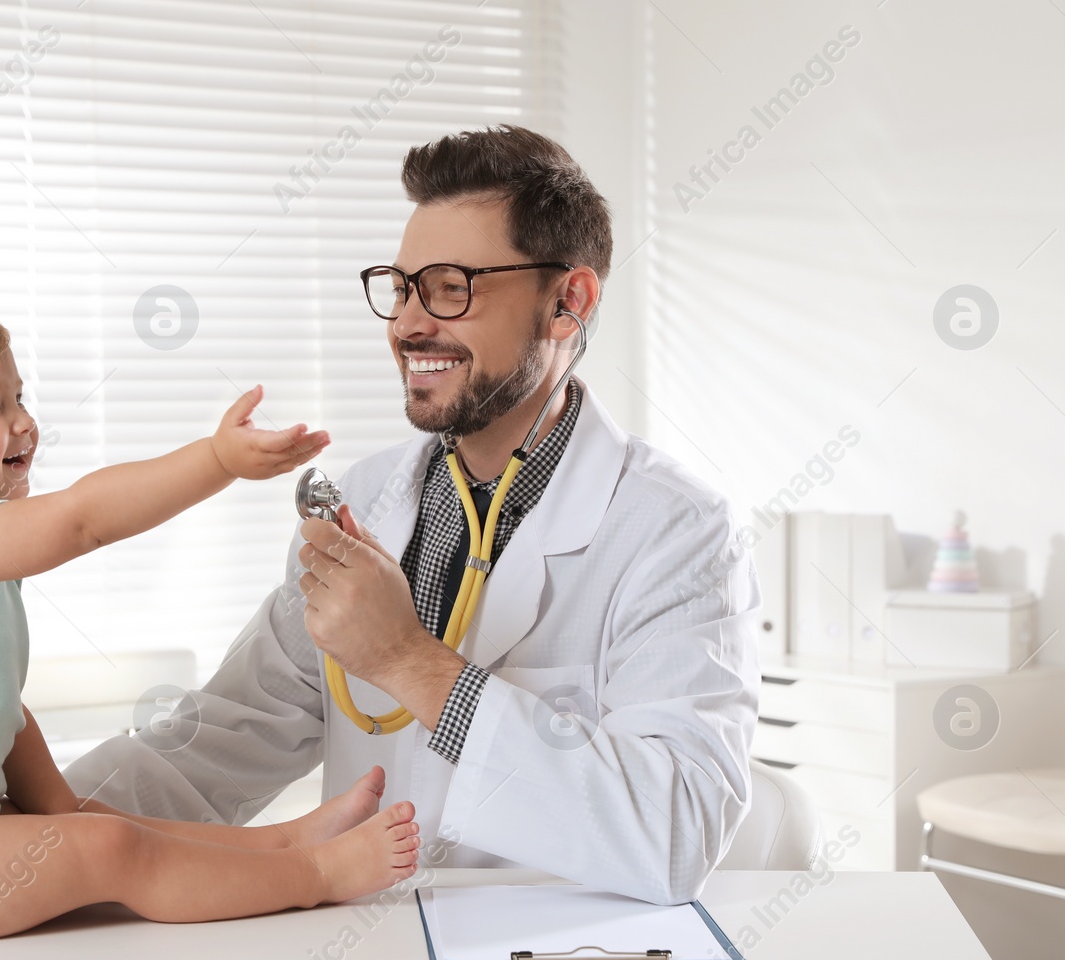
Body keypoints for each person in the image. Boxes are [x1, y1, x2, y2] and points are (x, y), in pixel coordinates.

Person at [63, 125, 760, 905]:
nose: (406, 326)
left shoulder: (676, 530)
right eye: (400, 288)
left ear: (568, 302)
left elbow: (675, 833)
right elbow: (220, 739)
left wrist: (407, 661)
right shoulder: (368, 502)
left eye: (451, 287)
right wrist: (21, 819)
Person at [0, 297, 419, 947]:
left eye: (18, 395)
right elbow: (81, 519)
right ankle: (311, 872)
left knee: (102, 823)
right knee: (109, 845)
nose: (25, 421)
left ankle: (280, 840)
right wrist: (217, 459)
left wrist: (58, 801)